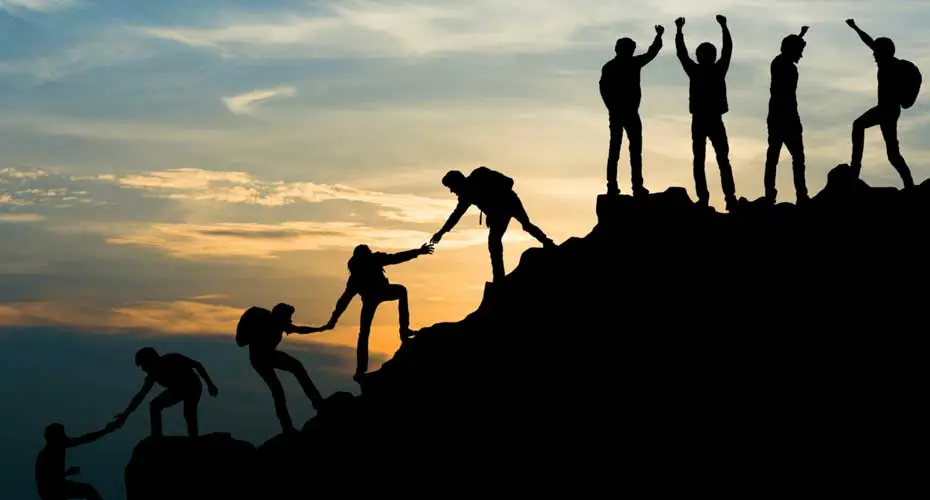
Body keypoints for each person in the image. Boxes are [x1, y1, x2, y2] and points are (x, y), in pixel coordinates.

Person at [324, 243, 434, 383]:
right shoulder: (365, 267)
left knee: (364, 332)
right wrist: (333, 319)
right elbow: (344, 300)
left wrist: (333, 320)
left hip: (376, 295)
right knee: (365, 331)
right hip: (374, 296)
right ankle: (362, 368)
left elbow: (396, 258)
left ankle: (362, 368)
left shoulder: (362, 269)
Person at [430, 166, 556, 283]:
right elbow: (455, 216)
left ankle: (547, 242)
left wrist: (494, 208)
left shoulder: (479, 175)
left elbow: (509, 182)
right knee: (494, 241)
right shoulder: (466, 197)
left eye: (451, 187)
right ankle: (499, 277)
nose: (452, 191)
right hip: (498, 214)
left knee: (525, 225)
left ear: (458, 182)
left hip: (510, 202)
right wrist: (441, 233)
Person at [674, 15, 739, 211]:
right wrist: (678, 32)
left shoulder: (715, 69)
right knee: (705, 159)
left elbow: (727, 50)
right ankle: (708, 198)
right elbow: (682, 53)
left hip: (711, 119)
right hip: (702, 119)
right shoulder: (700, 70)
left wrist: (725, 27)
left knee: (718, 159)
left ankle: (727, 198)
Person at [845, 19, 915, 189]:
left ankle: (855, 170)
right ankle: (909, 183)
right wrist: (856, 28)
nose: (873, 54)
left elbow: (871, 44)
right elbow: (869, 42)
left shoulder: (890, 65)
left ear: (884, 52)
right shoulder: (889, 63)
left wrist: (855, 28)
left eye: (876, 51)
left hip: (887, 109)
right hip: (888, 109)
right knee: (892, 153)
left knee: (858, 125)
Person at [243, 303, 329, 433]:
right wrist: (320, 329)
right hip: (260, 360)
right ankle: (288, 426)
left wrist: (320, 329)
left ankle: (317, 403)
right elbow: (297, 329)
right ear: (280, 316)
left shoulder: (279, 323)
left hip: (268, 356)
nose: (290, 320)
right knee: (278, 389)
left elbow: (299, 329)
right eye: (288, 316)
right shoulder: (267, 323)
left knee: (295, 369)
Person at [600, 24, 665, 197]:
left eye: (631, 49)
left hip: (629, 113)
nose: (629, 51)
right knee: (619, 151)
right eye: (628, 48)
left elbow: (651, 53)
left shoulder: (629, 63)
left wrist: (658, 37)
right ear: (619, 49)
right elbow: (603, 89)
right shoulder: (613, 66)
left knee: (631, 151)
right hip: (620, 113)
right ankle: (615, 185)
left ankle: (634, 185)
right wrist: (612, 107)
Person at [113, 347, 219, 438]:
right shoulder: (152, 376)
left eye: (144, 366)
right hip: (177, 390)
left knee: (189, 413)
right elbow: (140, 395)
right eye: (142, 367)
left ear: (153, 361)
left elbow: (197, 365)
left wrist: (210, 384)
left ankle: (194, 440)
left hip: (192, 386)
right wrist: (125, 414)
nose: (144, 370)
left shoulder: (173, 359)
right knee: (154, 405)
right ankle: (157, 437)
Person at [764, 26, 810, 204]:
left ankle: (772, 194)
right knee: (793, 157)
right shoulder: (785, 66)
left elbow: (788, 48)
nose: (801, 55)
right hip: (785, 116)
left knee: (776, 156)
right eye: (800, 51)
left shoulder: (779, 62)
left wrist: (801, 35)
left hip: (780, 115)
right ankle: (800, 195)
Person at [36, 420, 120, 500]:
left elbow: (84, 439)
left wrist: (106, 430)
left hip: (56, 487)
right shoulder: (46, 456)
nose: (65, 437)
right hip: (51, 490)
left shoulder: (59, 445)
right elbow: (47, 480)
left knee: (88, 490)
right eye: (62, 436)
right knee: (87, 490)